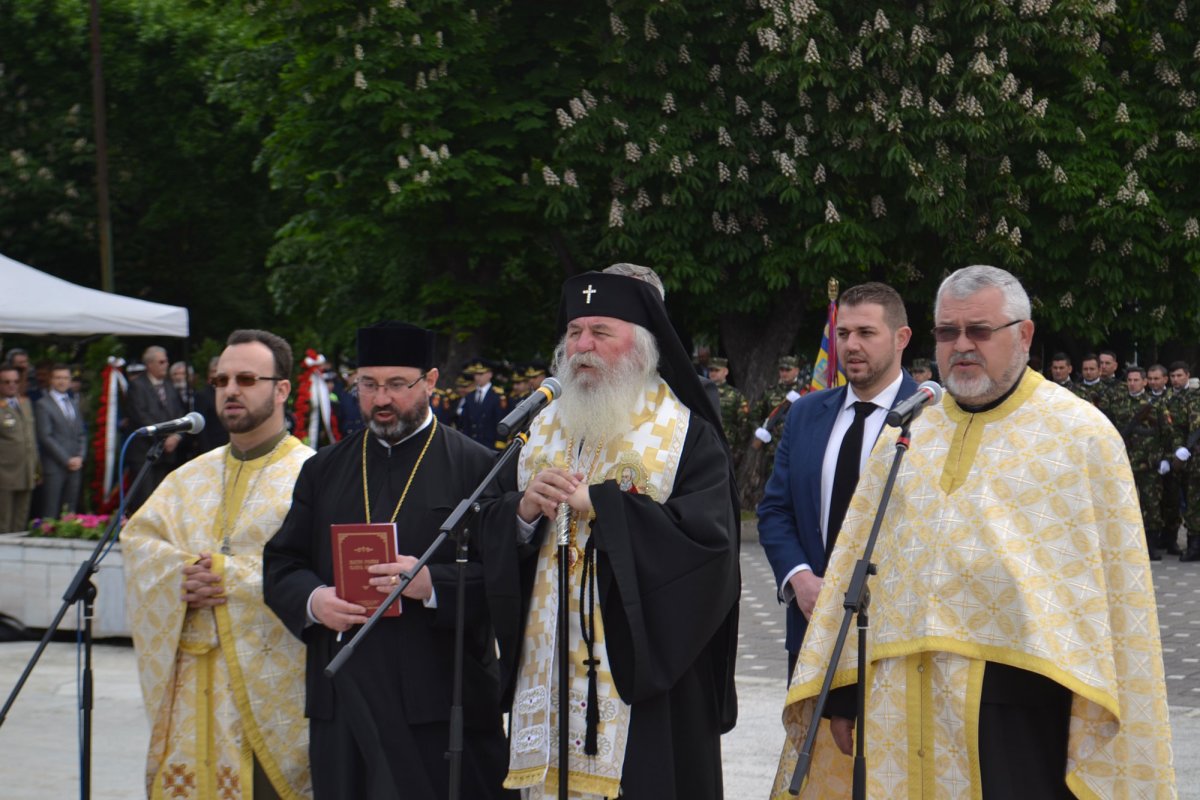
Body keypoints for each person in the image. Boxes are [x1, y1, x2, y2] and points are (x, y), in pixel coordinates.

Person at [770, 265, 1175, 798]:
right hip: (898, 705)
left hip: (1018, 708)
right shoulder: (910, 431)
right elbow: (858, 570)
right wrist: (844, 697)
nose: (961, 345)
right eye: (947, 332)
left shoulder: (1079, 436)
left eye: (979, 331)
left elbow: (1118, 599)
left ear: (1023, 335)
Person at [479, 264, 740, 800]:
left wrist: (601, 504)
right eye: (574, 332)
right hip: (545, 666)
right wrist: (523, 511)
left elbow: (710, 546)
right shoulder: (540, 426)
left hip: (641, 673)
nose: (583, 346)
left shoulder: (685, 432)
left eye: (601, 332)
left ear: (642, 344)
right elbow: (486, 517)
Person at [263, 322, 513, 800]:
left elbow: (507, 579)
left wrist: (432, 584)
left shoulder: (479, 468)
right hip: (344, 698)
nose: (382, 398)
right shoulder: (323, 469)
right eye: (369, 385)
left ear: (431, 382)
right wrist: (316, 600)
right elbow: (281, 564)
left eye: (397, 385)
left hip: (438, 700)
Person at [121, 329, 313, 799]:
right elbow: (138, 541)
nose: (230, 389)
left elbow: (323, 574)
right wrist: (178, 576)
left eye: (247, 378)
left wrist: (231, 578)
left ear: (281, 388)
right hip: (193, 688)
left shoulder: (313, 475)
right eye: (221, 379)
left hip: (270, 700)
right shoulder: (189, 477)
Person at [757, 283, 916, 677]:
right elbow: (776, 509)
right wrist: (800, 578)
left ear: (901, 338)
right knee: (812, 739)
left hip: (897, 638)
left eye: (866, 333)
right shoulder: (807, 414)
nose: (851, 345)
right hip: (813, 626)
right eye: (843, 334)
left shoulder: (935, 418)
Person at [125, 345, 188, 512]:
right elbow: (140, 416)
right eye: (161, 361)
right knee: (144, 500)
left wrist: (177, 436)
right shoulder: (137, 386)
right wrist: (164, 438)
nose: (165, 365)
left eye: (166, 361)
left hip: (166, 454)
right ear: (149, 364)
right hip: (144, 453)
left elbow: (180, 413)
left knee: (161, 500)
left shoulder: (169, 386)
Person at [35, 364, 87, 518]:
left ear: (70, 380)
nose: (62, 381)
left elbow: (82, 433)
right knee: (51, 510)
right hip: (55, 466)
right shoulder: (43, 404)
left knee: (70, 510)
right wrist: (67, 460)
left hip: (75, 465)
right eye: (58, 378)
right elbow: (45, 436)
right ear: (51, 380)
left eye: (65, 378)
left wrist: (80, 457)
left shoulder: (73, 402)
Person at [0, 363, 38, 532]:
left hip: (26, 471)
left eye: (15, 381)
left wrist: (37, 469)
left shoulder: (25, 404)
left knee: (21, 522)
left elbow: (31, 438)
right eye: (6, 382)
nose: (12, 385)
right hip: (4, 473)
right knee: (4, 522)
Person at [459, 358, 508, 450]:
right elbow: (466, 423)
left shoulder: (498, 396)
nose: (477, 377)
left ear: (490, 374)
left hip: (489, 445)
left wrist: (500, 443)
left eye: (481, 374)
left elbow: (500, 420)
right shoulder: (470, 396)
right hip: (471, 444)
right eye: (475, 374)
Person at [708, 356, 750, 451]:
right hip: (705, 443)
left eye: (716, 370)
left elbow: (744, 423)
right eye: (711, 370)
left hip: (726, 445)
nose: (713, 373)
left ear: (725, 371)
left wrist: (738, 450)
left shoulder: (735, 395)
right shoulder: (702, 392)